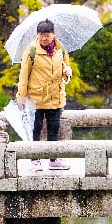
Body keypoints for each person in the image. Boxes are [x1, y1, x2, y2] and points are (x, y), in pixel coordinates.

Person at [16, 19, 73, 171]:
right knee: (36, 129)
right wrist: (21, 96)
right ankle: (35, 160)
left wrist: (68, 72)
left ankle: (54, 160)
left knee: (54, 129)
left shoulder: (61, 49)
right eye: (41, 35)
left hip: (56, 96)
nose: (43, 38)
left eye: (47, 35)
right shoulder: (31, 50)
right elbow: (23, 74)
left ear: (53, 35)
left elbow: (66, 66)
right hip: (36, 97)